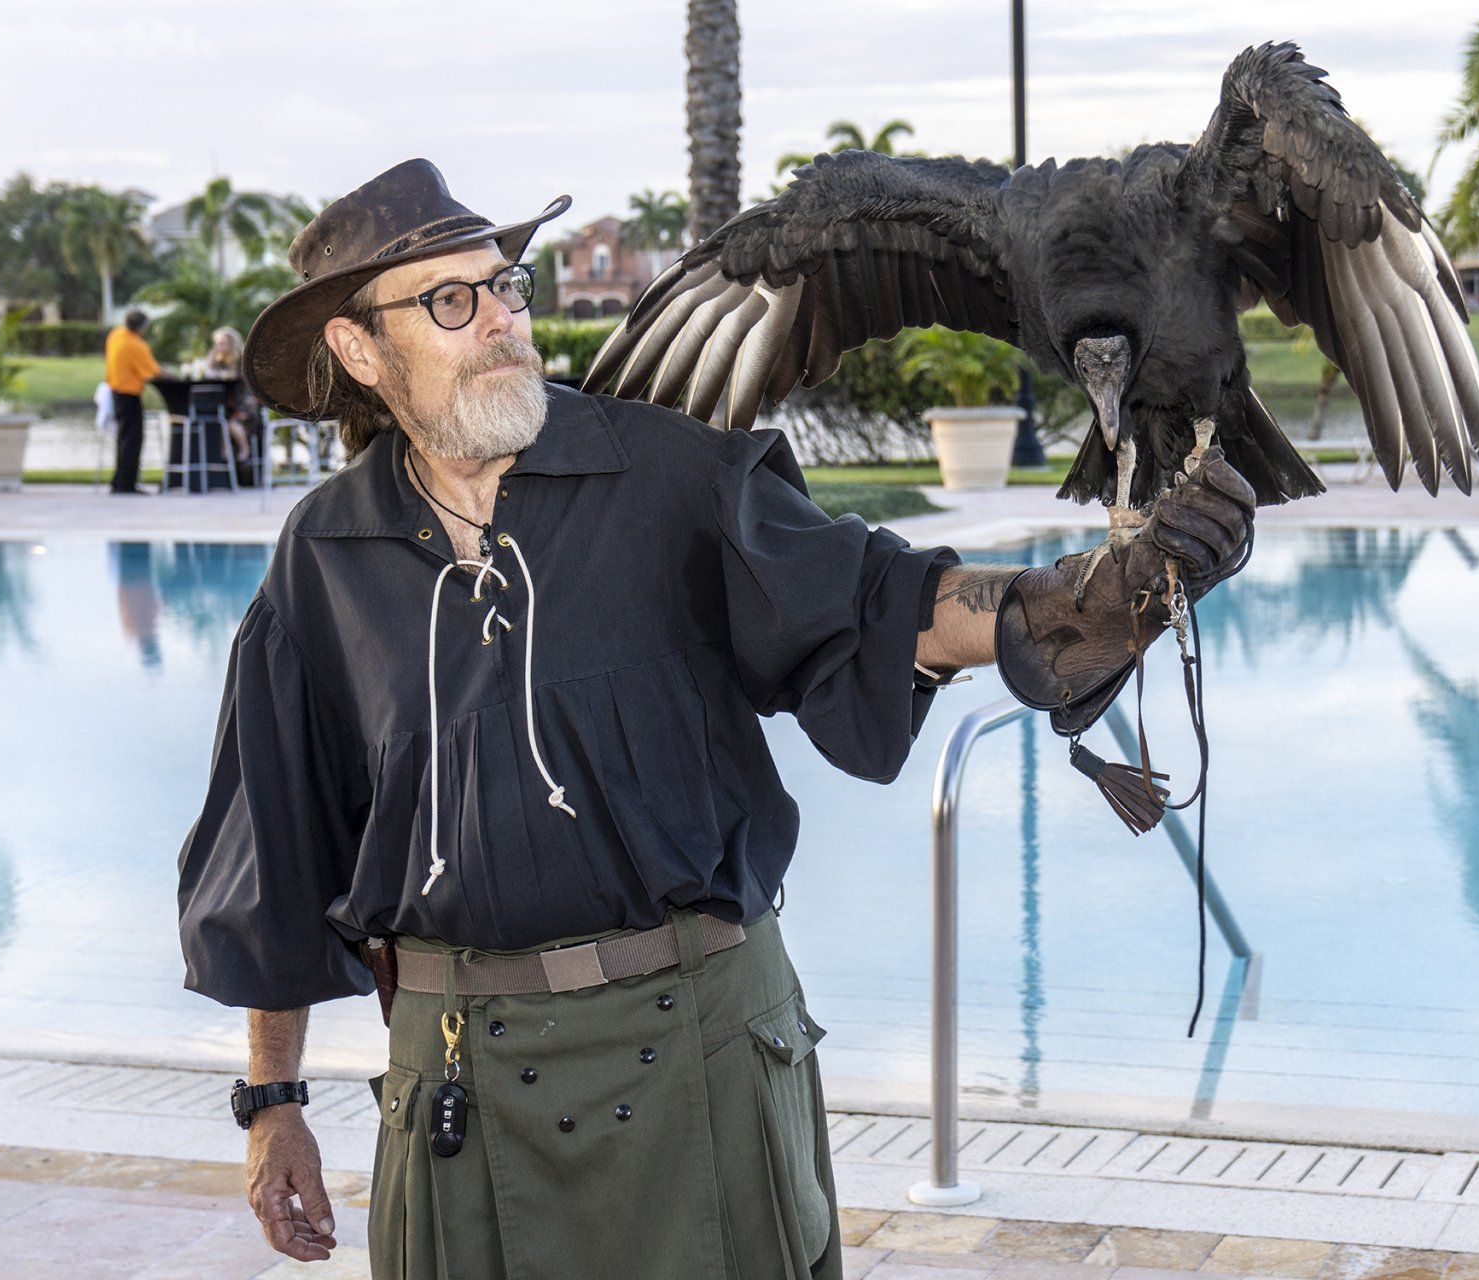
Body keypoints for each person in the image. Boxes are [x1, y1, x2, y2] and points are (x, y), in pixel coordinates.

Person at [175, 159, 1256, 1280]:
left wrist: (1078, 602)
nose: (502, 317)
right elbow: (276, 847)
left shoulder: (664, 473)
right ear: (360, 349)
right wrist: (272, 1101)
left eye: (505, 284)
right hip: (456, 1093)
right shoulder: (325, 557)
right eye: (453, 300)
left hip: (694, 1050)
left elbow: (874, 597)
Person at [103, 309, 165, 493]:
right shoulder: (135, 344)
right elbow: (153, 371)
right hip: (129, 394)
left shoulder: (116, 335)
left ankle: (118, 481)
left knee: (123, 437)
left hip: (115, 391)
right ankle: (127, 484)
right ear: (141, 327)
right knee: (132, 439)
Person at [203, 326, 256, 467]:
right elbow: (208, 374)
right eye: (217, 344)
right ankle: (225, 454)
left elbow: (241, 383)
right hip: (227, 405)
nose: (218, 347)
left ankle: (244, 449)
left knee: (230, 422)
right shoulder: (220, 362)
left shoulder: (242, 361)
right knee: (220, 421)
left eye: (222, 343)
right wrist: (212, 357)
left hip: (243, 405)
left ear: (231, 343)